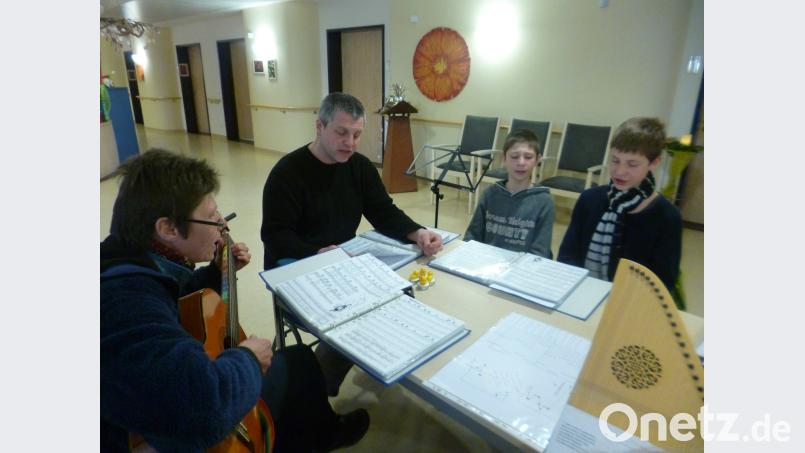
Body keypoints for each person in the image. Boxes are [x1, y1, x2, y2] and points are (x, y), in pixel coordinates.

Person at [101, 149, 369, 452]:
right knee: (300, 363)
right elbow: (204, 410)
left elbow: (175, 296)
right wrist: (248, 360)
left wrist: (215, 273)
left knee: (298, 360)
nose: (222, 226)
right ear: (168, 228)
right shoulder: (124, 304)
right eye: (212, 217)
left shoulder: (130, 257)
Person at [261, 92, 443, 396]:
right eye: (341, 132)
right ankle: (319, 392)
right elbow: (275, 236)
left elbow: (382, 211)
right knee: (356, 314)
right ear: (319, 126)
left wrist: (417, 232)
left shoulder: (358, 167)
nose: (350, 142)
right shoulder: (287, 173)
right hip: (295, 264)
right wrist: (315, 253)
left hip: (340, 262)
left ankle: (382, 360)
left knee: (399, 293)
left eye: (357, 134)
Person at [557, 117, 681, 291]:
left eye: (632, 164)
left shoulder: (667, 216)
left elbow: (663, 283)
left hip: (627, 306)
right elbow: (567, 256)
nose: (620, 171)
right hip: (579, 293)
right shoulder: (589, 199)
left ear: (654, 163)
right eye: (615, 160)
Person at [464, 129, 554, 257]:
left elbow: (540, 252)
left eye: (528, 157)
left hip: (521, 271)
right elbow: (472, 236)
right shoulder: (490, 194)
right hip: (486, 264)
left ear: (537, 160)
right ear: (504, 159)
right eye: (514, 156)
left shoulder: (544, 201)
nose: (521, 162)